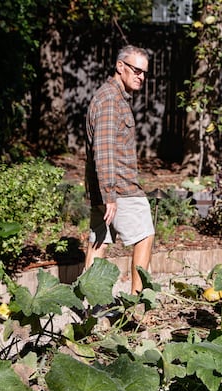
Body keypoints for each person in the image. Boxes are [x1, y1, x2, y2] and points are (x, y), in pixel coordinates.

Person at [84, 45, 155, 295]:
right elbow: (103, 152)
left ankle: (92, 309)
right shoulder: (111, 101)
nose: (141, 77)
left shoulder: (112, 97)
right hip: (120, 188)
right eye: (136, 70)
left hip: (106, 188)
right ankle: (137, 306)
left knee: (99, 241)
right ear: (120, 67)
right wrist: (110, 195)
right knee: (145, 235)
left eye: (144, 72)